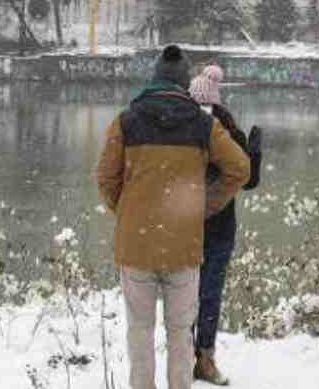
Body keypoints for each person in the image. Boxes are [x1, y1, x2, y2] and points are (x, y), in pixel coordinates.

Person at [96, 46, 251, 389]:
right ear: (185, 83)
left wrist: (126, 211)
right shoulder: (203, 125)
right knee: (181, 334)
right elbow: (240, 168)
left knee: (139, 331)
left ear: (153, 78)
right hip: (183, 246)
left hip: (136, 247)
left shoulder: (126, 121)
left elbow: (105, 178)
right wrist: (204, 206)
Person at [187, 64, 262, 386]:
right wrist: (255, 153)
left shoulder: (179, 129)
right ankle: (204, 358)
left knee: (184, 295)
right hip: (218, 228)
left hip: (184, 225)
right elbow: (249, 181)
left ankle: (186, 357)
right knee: (209, 295)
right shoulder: (229, 129)